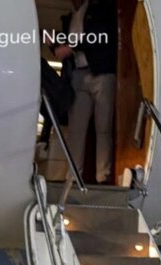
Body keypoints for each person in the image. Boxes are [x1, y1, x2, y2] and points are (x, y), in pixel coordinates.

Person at [52, 0, 118, 184]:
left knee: (103, 127)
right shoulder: (68, 18)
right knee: (76, 128)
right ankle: (73, 175)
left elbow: (100, 36)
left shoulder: (100, 9)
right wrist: (56, 46)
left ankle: (103, 175)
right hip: (78, 74)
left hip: (101, 72)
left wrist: (71, 47)